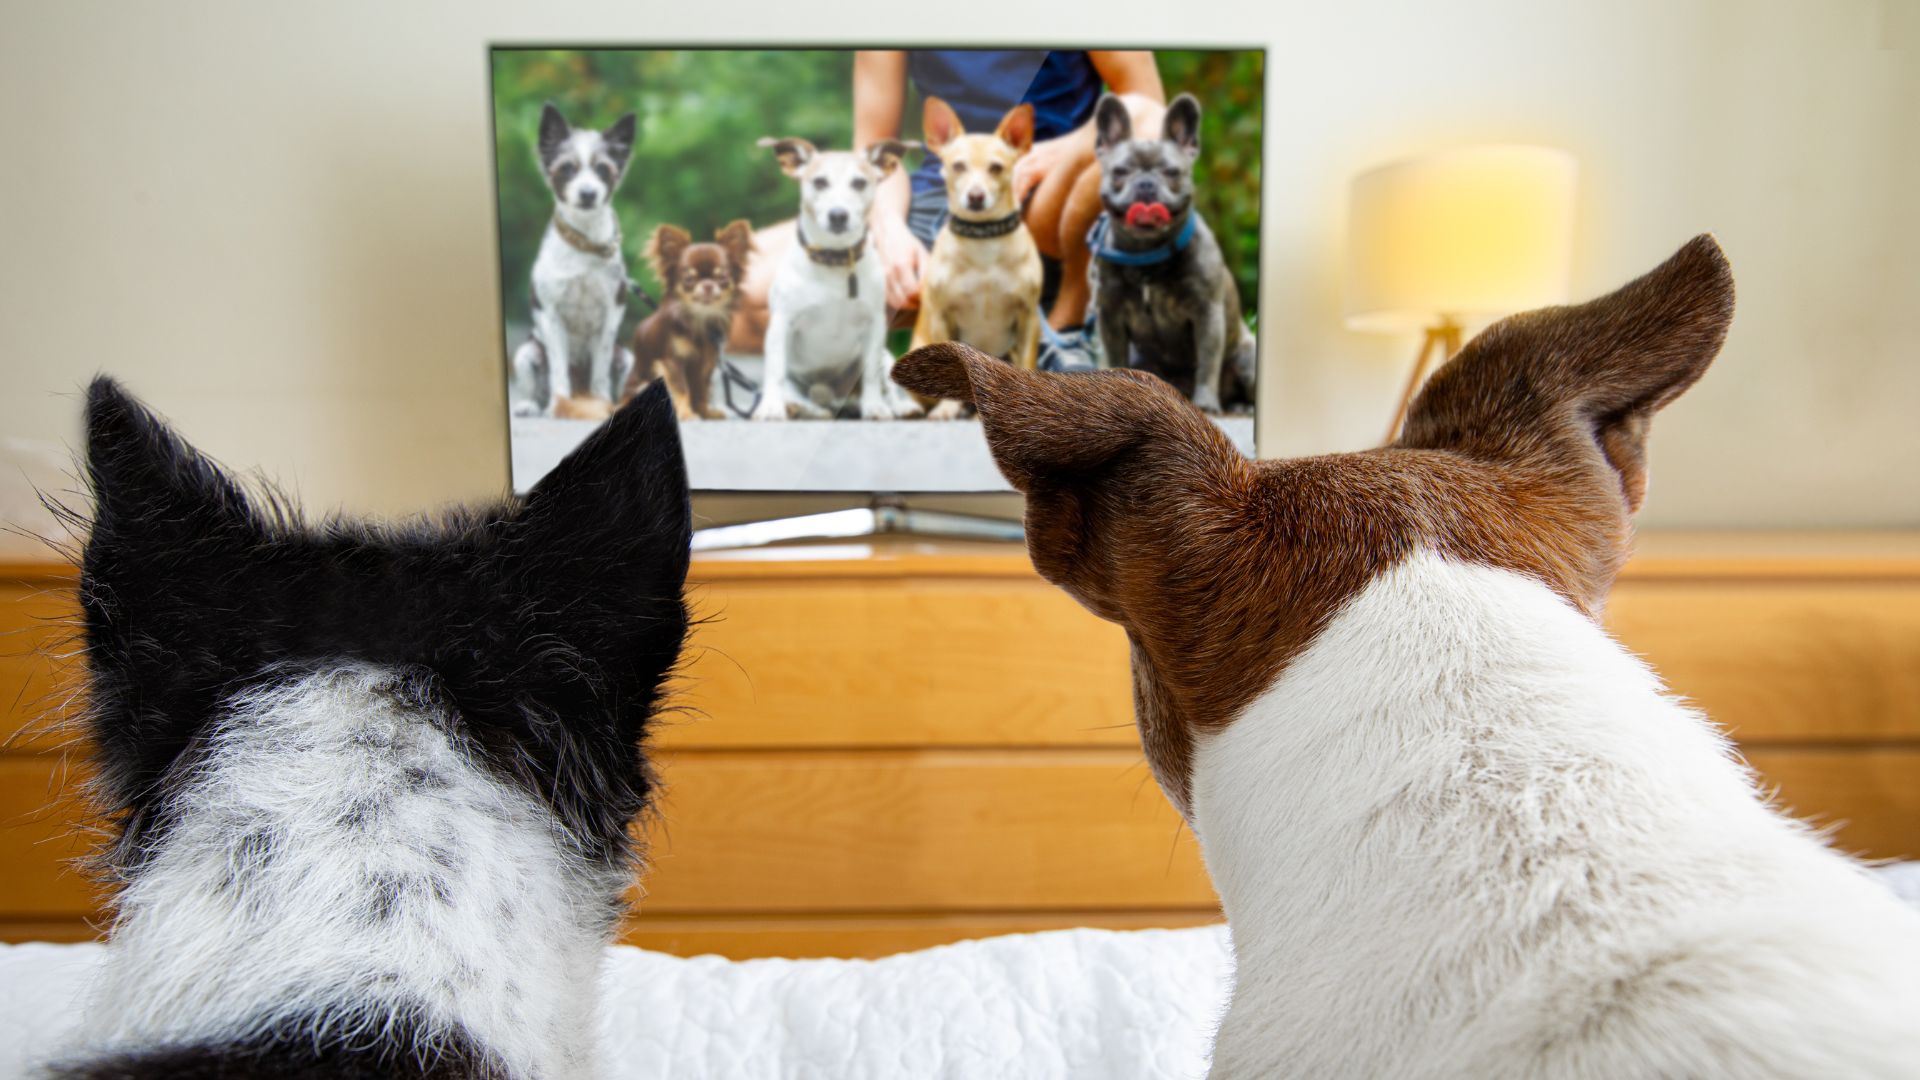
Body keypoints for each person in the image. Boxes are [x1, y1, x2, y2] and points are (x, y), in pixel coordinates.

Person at [731, 49, 1166, 370]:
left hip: (1049, 193)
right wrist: (889, 229)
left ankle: (1067, 329)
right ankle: (923, 353)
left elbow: (1150, 107)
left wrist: (1055, 154)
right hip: (942, 197)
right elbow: (876, 147)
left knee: (1141, 119)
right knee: (737, 294)